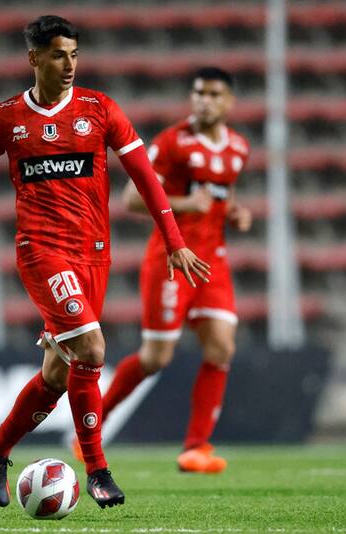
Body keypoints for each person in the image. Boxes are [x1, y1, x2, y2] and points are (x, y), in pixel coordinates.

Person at [0, 15, 210, 509]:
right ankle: (97, 469)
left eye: (74, 54)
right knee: (92, 350)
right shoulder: (6, 119)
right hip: (40, 252)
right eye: (57, 55)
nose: (69, 64)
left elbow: (146, 177)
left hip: (94, 254)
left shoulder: (99, 109)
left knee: (57, 372)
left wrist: (173, 238)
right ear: (34, 58)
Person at [72, 67, 252, 473]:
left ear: (229, 102)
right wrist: (189, 206)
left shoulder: (238, 147)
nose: (204, 100)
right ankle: (89, 431)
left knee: (222, 346)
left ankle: (197, 448)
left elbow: (222, 195)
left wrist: (234, 213)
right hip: (171, 261)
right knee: (156, 358)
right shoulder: (171, 143)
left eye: (213, 94)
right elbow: (132, 198)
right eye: (198, 93)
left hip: (213, 264)